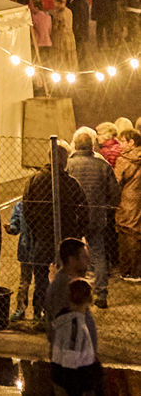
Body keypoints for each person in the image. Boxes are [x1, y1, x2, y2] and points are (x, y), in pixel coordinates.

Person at [25, 149, 89, 321]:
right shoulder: (71, 183)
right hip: (65, 239)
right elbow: (84, 211)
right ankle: (62, 311)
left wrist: (37, 229)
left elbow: (27, 209)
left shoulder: (35, 180)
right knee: (66, 276)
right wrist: (77, 234)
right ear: (64, 160)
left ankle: (39, 311)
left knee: (40, 276)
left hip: (43, 236)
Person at [67, 128, 116, 306]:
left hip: (74, 217)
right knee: (98, 253)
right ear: (93, 145)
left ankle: (73, 291)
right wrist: (105, 207)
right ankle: (101, 294)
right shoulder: (102, 165)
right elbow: (114, 192)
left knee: (72, 253)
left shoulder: (69, 164)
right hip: (96, 215)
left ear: (75, 145)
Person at [49, 276, 102, 395]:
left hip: (60, 375)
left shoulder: (63, 319)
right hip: (75, 379)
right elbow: (71, 363)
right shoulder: (76, 326)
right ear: (89, 300)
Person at [114, 128, 141, 282]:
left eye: (122, 141)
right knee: (137, 234)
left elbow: (116, 182)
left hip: (127, 201)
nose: (120, 145)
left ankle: (129, 271)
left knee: (127, 234)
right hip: (139, 200)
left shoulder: (124, 160)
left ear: (131, 142)